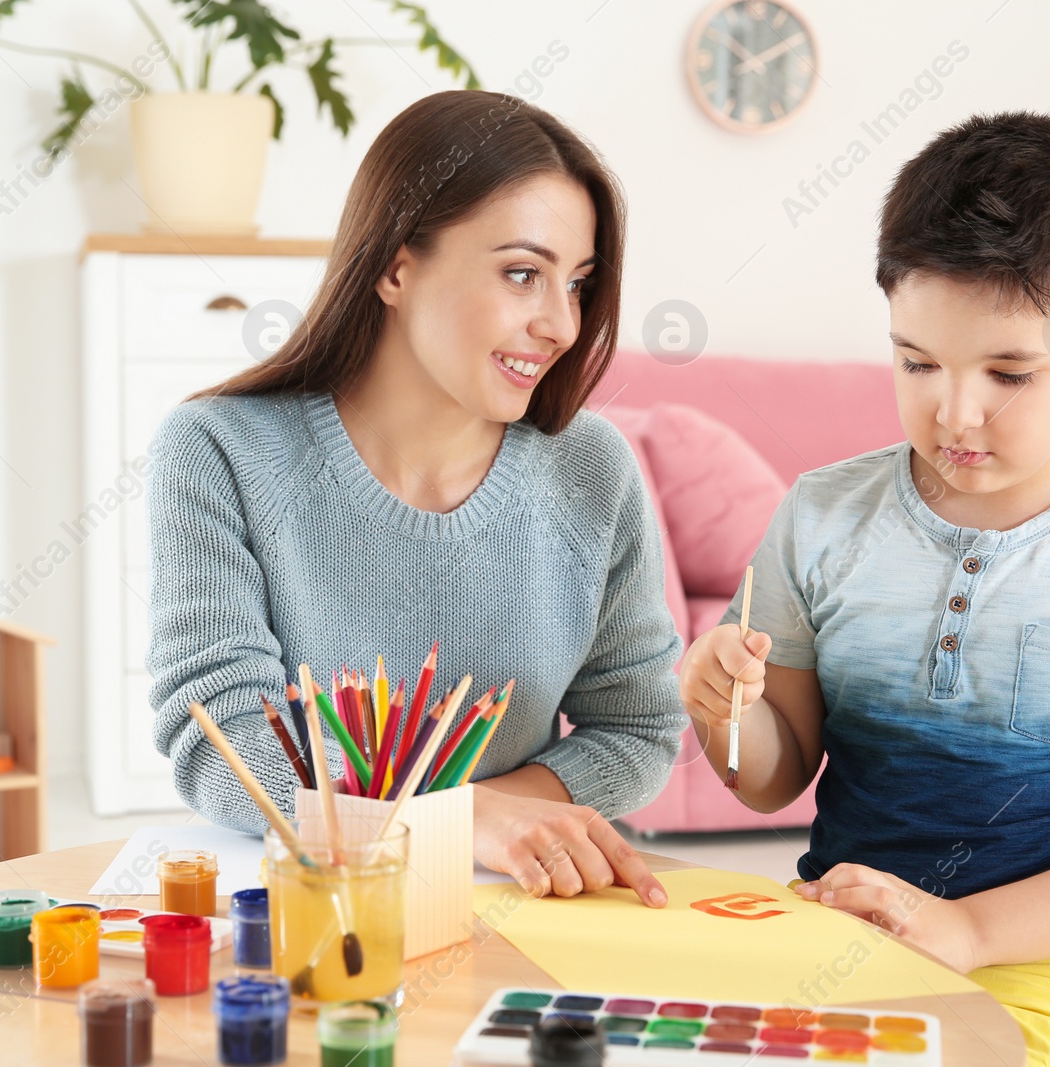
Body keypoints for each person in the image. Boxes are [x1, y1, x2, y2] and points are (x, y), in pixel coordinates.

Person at [678, 111, 1050, 1065]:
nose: (954, 411)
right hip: (840, 941)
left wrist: (972, 933)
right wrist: (724, 710)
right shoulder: (821, 515)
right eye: (917, 362)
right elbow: (773, 776)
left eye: (1009, 371)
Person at [147, 90, 686, 907]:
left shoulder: (592, 468)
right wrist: (445, 822)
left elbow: (639, 729)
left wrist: (476, 820)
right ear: (396, 266)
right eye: (521, 274)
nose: (561, 325)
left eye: (575, 284)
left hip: (521, 897)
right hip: (313, 896)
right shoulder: (217, 449)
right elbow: (219, 735)